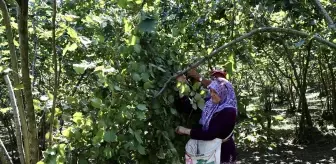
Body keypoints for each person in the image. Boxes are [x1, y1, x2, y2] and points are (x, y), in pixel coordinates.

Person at [175, 76, 238, 164]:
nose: (212, 94)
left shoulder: (229, 111)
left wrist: (185, 131)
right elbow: (187, 108)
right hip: (207, 151)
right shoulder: (210, 103)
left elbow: (210, 134)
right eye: (211, 91)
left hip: (222, 153)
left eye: (215, 92)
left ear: (224, 93)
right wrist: (181, 85)